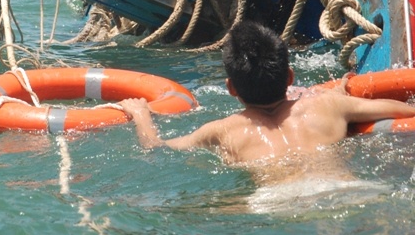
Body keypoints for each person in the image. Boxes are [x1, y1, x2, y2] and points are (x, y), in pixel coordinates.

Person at [122, 21, 415, 189]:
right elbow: (406, 112)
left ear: (231, 88)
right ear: (290, 76)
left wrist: (140, 114)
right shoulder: (327, 105)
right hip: (346, 188)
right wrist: (342, 96)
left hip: (275, 204)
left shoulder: (220, 131)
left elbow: (155, 149)